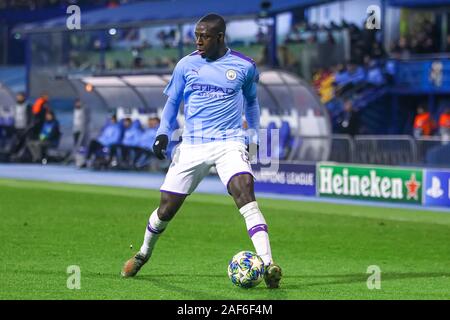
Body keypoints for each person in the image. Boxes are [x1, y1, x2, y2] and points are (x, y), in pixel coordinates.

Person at [121, 13, 282, 288]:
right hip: (193, 144)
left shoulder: (245, 66)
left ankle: (269, 264)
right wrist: (162, 134)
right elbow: (172, 104)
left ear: (219, 37)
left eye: (204, 36)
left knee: (244, 190)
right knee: (166, 209)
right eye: (196, 35)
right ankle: (143, 253)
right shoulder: (186, 65)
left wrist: (254, 137)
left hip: (229, 142)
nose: (198, 41)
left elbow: (252, 103)